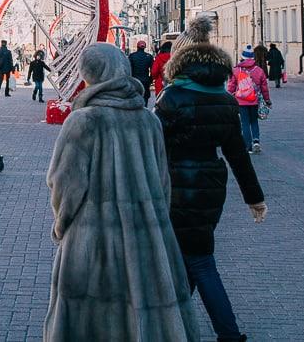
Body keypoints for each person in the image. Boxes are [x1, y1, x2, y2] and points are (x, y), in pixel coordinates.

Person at [44, 43, 198, 342]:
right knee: (142, 313)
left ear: (90, 73)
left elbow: (64, 184)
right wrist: (154, 223)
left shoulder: (83, 120)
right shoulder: (149, 120)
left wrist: (62, 225)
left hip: (93, 242)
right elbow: (163, 182)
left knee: (89, 323)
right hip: (148, 239)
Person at [156, 16, 267, 342]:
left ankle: (228, 334)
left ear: (179, 61)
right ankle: (174, 321)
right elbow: (237, 154)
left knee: (199, 262)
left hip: (177, 186)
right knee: (192, 256)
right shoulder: (225, 99)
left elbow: (153, 145)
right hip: (211, 187)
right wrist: (254, 197)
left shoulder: (172, 98)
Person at [227, 45, 271, 154]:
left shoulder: (237, 70)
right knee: (254, 121)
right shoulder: (259, 70)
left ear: (242, 57)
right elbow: (264, 88)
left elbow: (231, 86)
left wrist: (230, 96)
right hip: (255, 100)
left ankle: (248, 146)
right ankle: (256, 141)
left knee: (245, 123)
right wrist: (267, 100)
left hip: (241, 101)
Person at [128, 40, 154, 106]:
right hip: (145, 80)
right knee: (145, 97)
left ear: (137, 47)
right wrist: (150, 79)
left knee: (134, 96)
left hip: (134, 80)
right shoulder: (149, 57)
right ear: (144, 47)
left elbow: (128, 69)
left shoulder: (132, 56)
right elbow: (152, 70)